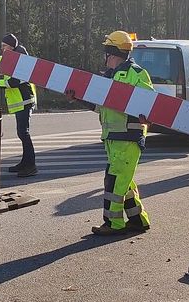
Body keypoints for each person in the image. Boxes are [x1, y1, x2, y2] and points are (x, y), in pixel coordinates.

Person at [66, 30, 153, 236]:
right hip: (113, 138)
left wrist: (144, 116)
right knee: (124, 181)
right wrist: (78, 98)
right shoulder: (107, 77)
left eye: (105, 52)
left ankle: (113, 224)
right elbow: (101, 108)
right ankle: (138, 220)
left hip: (128, 138)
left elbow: (149, 105)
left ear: (111, 53)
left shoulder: (137, 73)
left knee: (114, 181)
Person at [0, 33, 37, 177]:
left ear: (12, 47)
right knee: (22, 133)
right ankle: (25, 163)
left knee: (24, 133)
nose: (2, 49)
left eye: (4, 46)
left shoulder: (22, 61)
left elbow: (14, 82)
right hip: (20, 103)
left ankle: (31, 166)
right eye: (2, 46)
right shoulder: (11, 57)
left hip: (25, 101)